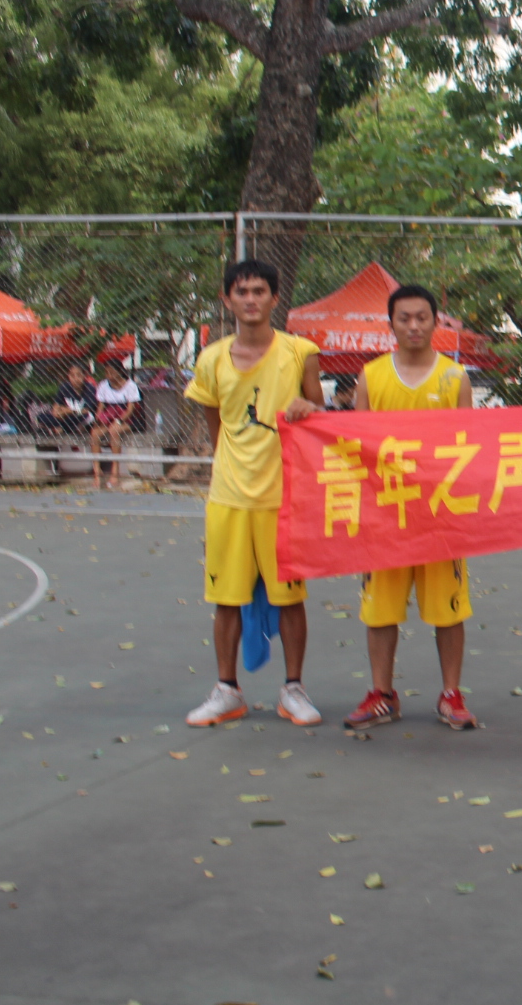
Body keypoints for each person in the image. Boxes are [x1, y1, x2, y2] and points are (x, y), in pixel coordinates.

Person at [184, 258, 326, 728]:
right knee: (226, 597)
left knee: (289, 598)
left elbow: (318, 414)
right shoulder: (210, 359)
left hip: (284, 499)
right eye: (241, 291)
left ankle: (294, 689)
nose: (250, 299)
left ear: (274, 297)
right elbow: (216, 426)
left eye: (259, 291)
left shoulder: (301, 351)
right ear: (227, 299)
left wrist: (308, 405)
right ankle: (227, 690)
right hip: (229, 498)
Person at [343, 284, 479, 732]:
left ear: (436, 322)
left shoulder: (455, 378)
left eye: (422, 317)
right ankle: (382, 694)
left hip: (440, 515)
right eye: (405, 318)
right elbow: (356, 445)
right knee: (379, 609)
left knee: (449, 609)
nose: (414, 325)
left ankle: (451, 695)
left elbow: (468, 448)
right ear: (392, 324)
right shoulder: (371, 376)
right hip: (386, 516)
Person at [89, 359, 142, 488]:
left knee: (114, 430)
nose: (109, 375)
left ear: (119, 372)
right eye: (107, 372)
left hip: (126, 420)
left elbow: (130, 410)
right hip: (108, 418)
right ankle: (97, 471)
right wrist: (98, 420)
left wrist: (118, 420)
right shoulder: (103, 385)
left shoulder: (130, 386)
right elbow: (101, 407)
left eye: (112, 372)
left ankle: (115, 470)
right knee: (95, 433)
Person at [39, 364, 94, 435]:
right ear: (68, 376)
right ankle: (64, 428)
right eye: (72, 375)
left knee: (84, 417)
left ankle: (58, 429)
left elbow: (86, 410)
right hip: (66, 417)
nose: (76, 379)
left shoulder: (90, 389)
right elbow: (55, 407)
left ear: (84, 376)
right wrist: (59, 412)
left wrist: (65, 410)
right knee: (41, 417)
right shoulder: (64, 387)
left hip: (80, 417)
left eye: (79, 375)